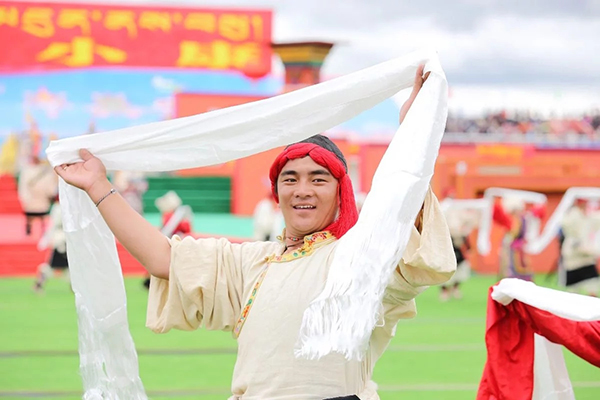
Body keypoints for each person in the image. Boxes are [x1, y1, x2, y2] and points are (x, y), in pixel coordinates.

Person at [53, 66, 456, 399]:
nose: (302, 190)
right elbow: (163, 259)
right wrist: (98, 186)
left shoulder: (360, 260)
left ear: (340, 192)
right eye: (290, 179)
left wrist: (413, 139)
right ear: (277, 192)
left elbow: (414, 245)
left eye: (319, 179)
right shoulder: (251, 263)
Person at [560, 199, 600, 296]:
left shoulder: (588, 216)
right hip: (573, 257)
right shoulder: (572, 216)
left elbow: (595, 221)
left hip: (586, 258)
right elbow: (568, 229)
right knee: (573, 290)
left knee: (592, 284)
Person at [33, 201, 69, 292]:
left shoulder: (62, 206)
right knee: (57, 266)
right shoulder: (58, 208)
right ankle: (39, 283)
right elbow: (53, 226)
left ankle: (40, 283)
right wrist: (45, 241)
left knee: (67, 266)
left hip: (63, 240)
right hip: (61, 241)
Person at [17, 156, 58, 235]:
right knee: (31, 215)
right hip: (32, 198)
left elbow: (50, 185)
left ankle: (42, 229)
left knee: (41, 215)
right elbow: (23, 186)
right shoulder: (27, 170)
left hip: (41, 198)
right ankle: (30, 227)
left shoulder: (44, 170)